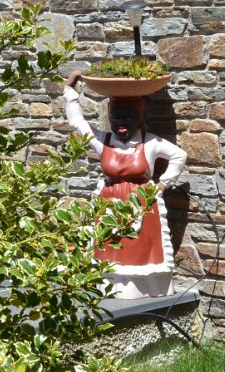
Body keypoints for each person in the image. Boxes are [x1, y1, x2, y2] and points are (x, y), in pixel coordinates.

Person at [62, 71, 187, 299]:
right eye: (117, 118)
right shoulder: (103, 141)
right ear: (110, 119)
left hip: (141, 204)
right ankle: (111, 288)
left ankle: (143, 289)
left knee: (140, 248)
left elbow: (179, 156)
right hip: (109, 203)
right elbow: (78, 124)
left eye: (128, 118)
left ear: (139, 118)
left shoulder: (150, 142)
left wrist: (163, 184)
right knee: (111, 248)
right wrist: (70, 91)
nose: (121, 123)